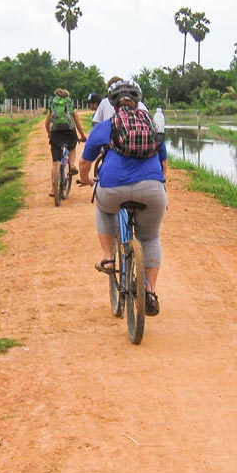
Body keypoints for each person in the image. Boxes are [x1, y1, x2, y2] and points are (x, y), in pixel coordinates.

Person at [78, 79, 168, 316]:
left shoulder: (105, 127)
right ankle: (149, 290)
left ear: (112, 103)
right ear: (138, 101)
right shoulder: (151, 125)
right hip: (152, 189)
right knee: (149, 238)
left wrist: (87, 180)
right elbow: (164, 162)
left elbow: (85, 163)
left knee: (103, 207)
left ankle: (108, 258)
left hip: (112, 188)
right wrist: (160, 181)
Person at [45, 88, 86, 197]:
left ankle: (53, 190)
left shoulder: (53, 104)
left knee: (55, 162)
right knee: (72, 148)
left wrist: (50, 133)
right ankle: (72, 165)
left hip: (56, 133)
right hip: (69, 132)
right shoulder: (70, 103)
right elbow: (77, 122)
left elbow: (47, 122)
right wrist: (82, 136)